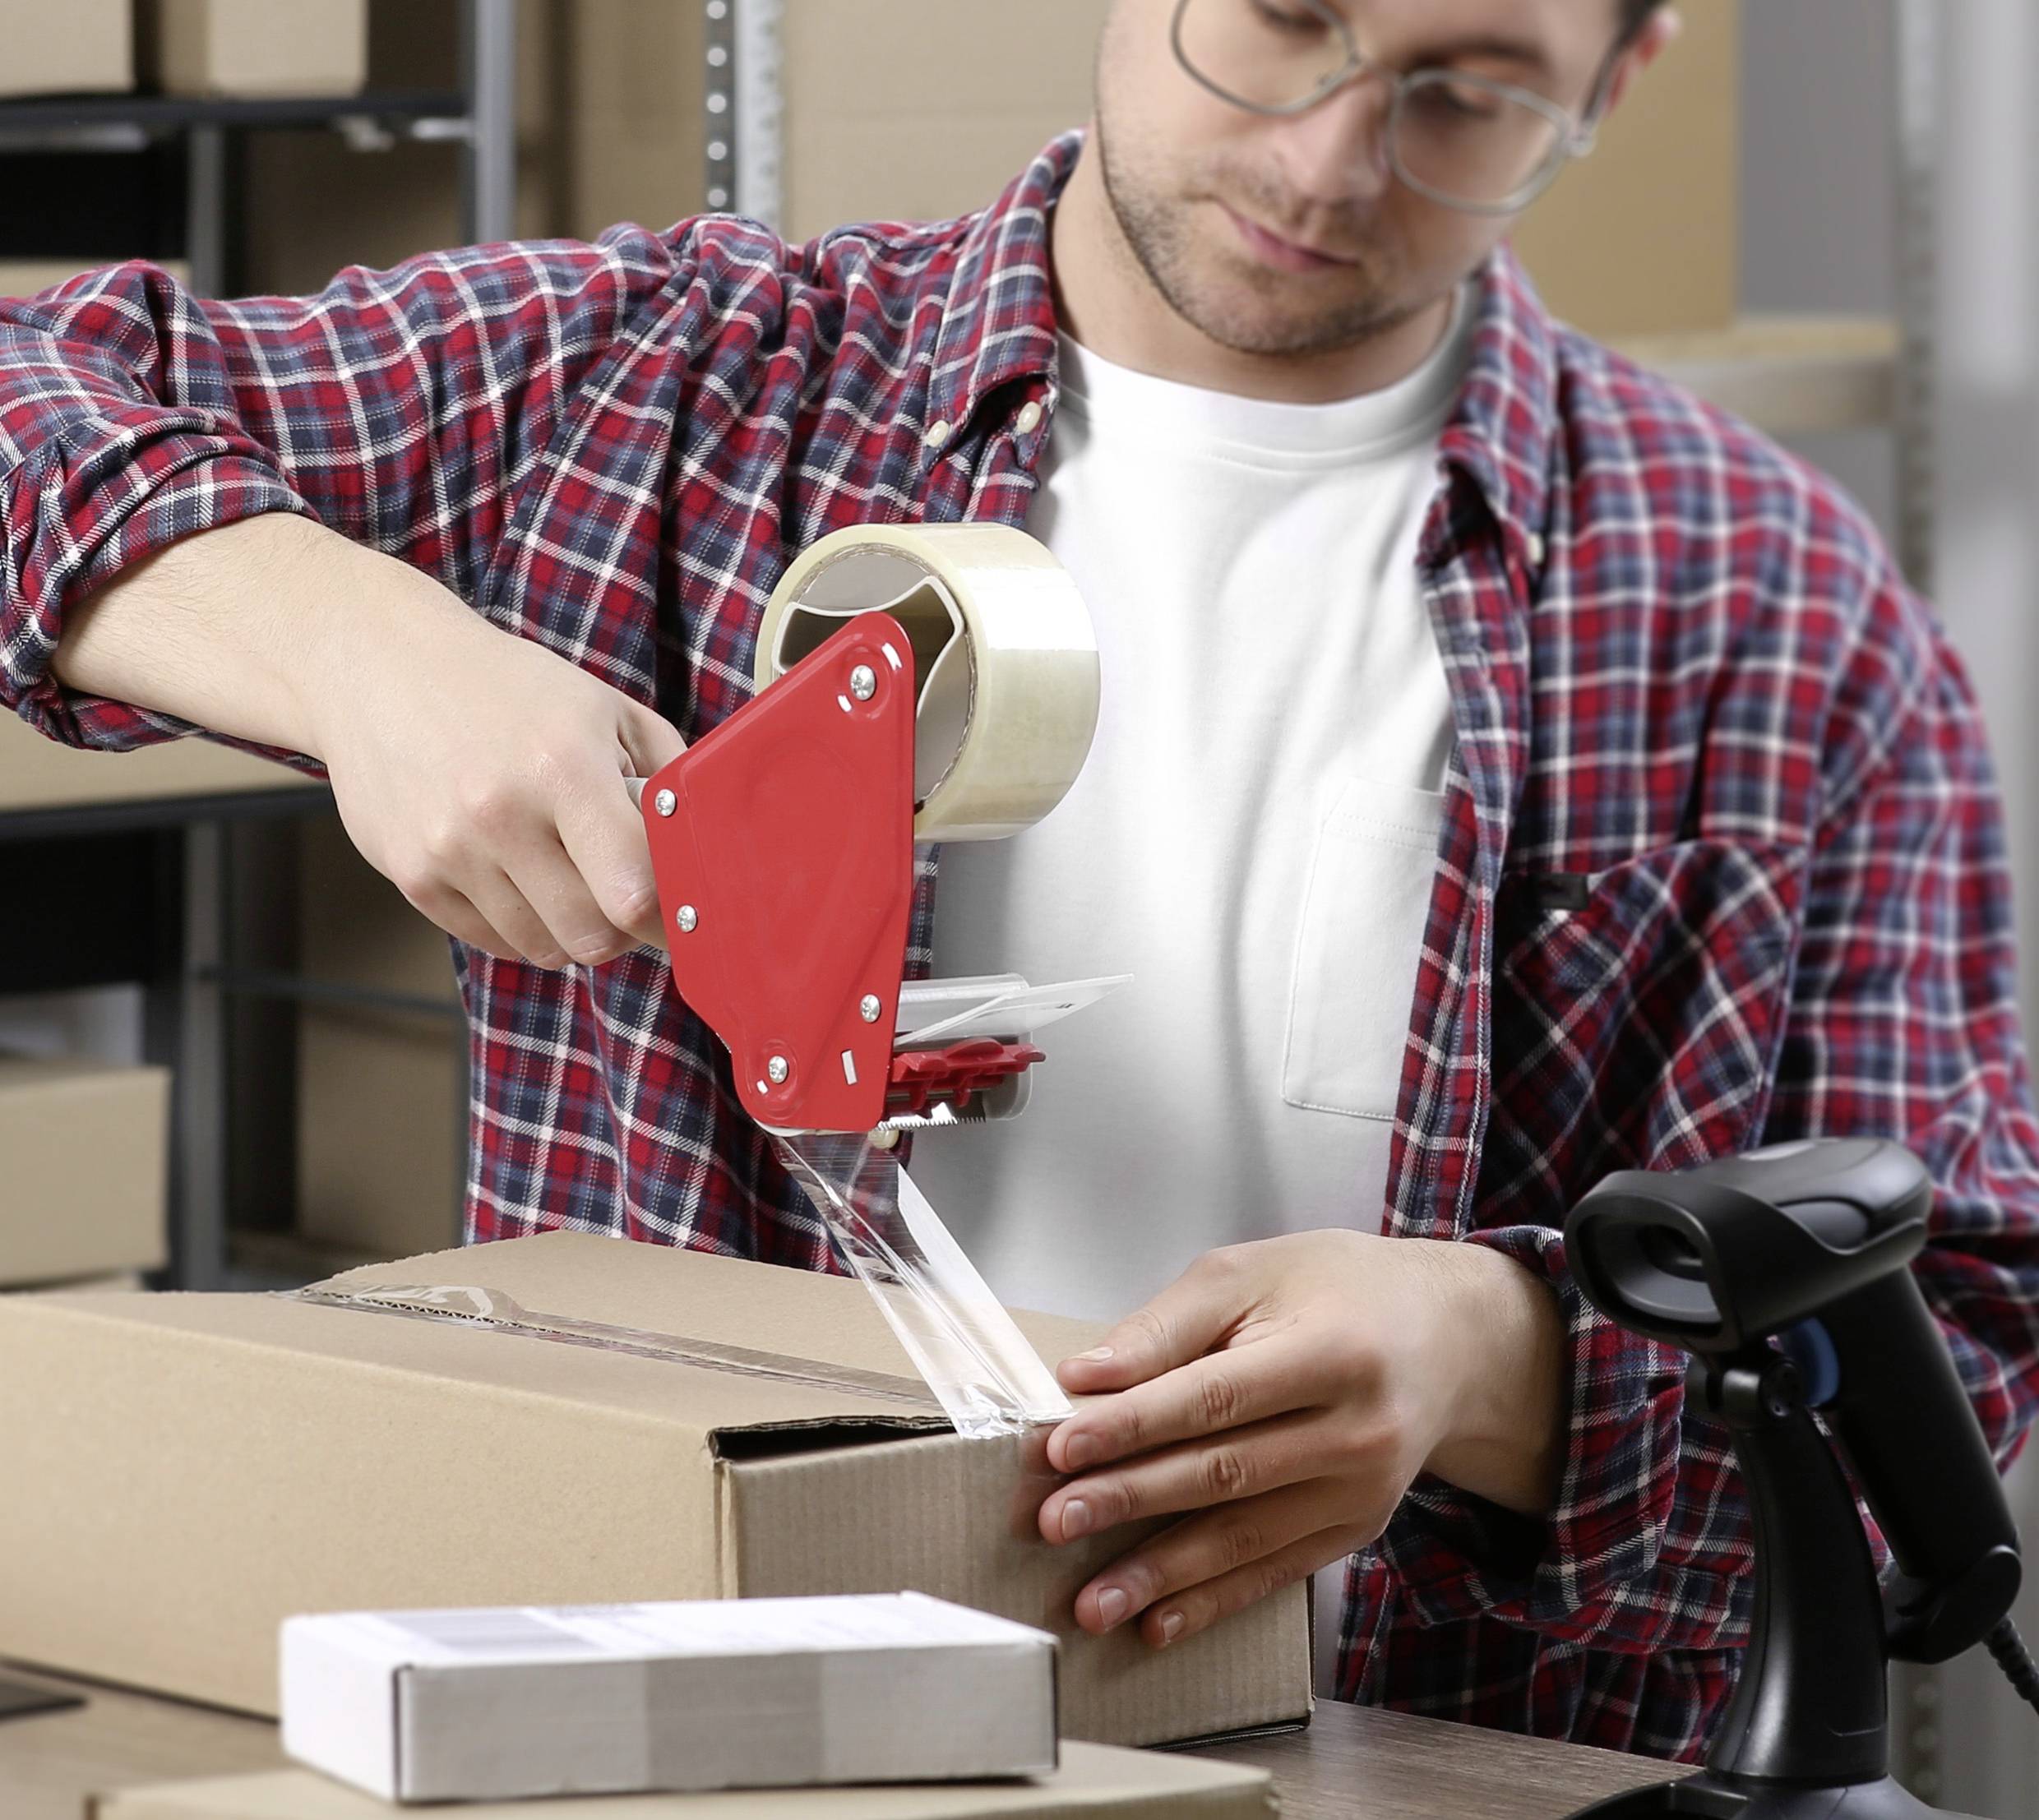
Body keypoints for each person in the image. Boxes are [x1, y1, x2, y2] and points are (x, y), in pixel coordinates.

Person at [3, 0, 2036, 1767]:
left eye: (1470, 89)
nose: (1331, 156)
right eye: (1276, 19)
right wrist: (367, 654)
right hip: (667, 1737)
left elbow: (1949, 1367)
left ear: (1619, 72)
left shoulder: (1776, 613)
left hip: (1431, 1758)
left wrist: (1495, 1360)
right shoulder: (665, 387)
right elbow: (31, 395)